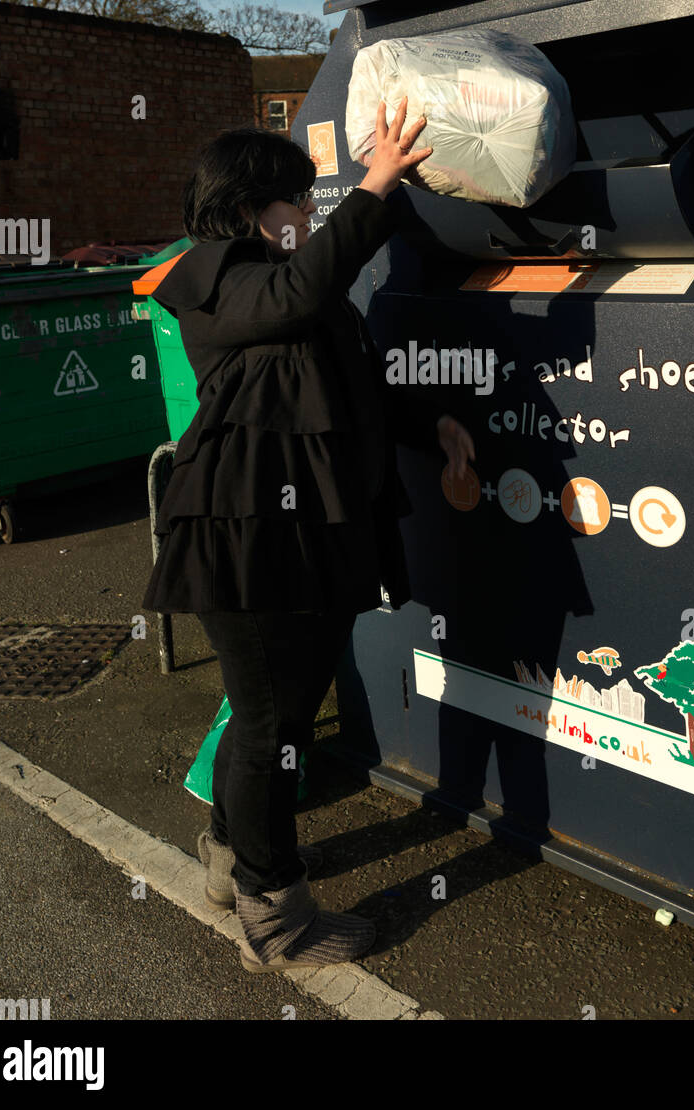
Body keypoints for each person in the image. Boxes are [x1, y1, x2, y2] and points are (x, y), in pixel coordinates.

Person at [141, 98, 476, 970]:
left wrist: (430, 423)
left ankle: (231, 859)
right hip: (240, 536)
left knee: (281, 715)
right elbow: (298, 289)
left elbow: (344, 387)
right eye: (296, 204)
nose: (307, 218)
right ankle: (275, 921)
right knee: (267, 725)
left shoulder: (289, 292)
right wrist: (376, 184)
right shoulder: (218, 277)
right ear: (252, 207)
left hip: (304, 539)